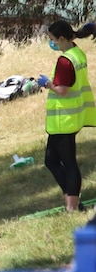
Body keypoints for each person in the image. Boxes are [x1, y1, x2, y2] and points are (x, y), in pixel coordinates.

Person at [37, 20, 96, 212]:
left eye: (52, 40)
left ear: (62, 39)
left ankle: (72, 207)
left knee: (68, 162)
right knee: (51, 160)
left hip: (64, 119)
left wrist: (47, 84)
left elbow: (62, 90)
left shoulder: (65, 61)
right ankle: (71, 199)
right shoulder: (77, 52)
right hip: (72, 116)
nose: (51, 44)